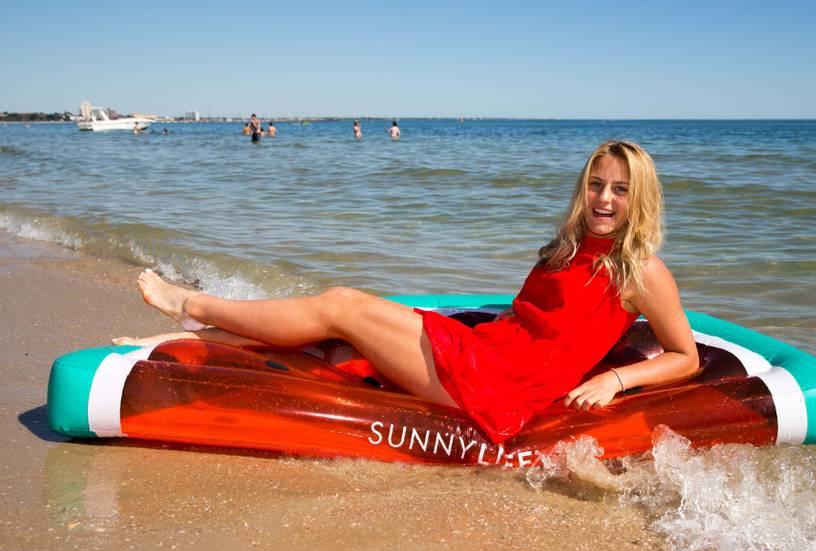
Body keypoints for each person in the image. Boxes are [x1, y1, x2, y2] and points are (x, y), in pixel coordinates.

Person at [113, 140, 698, 443]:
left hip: (496, 386)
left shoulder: (643, 272)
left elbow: (685, 356)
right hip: (485, 353)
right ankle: (187, 339)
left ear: (639, 197)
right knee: (341, 336)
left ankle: (190, 302)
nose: (603, 199)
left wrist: (616, 379)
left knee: (340, 305)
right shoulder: (568, 248)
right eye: (595, 184)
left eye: (620, 189)